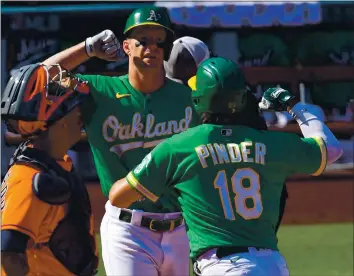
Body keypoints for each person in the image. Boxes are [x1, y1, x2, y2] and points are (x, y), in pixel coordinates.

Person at [108, 57, 343, 276]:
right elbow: (331, 151)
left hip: (222, 267)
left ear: (198, 99)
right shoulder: (270, 143)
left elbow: (118, 197)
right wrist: (295, 107)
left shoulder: (178, 146)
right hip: (272, 265)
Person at [43, 7, 200, 276]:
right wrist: (88, 48)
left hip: (180, 228)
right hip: (128, 230)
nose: (152, 47)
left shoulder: (187, 97)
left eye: (159, 40)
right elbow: (43, 75)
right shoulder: (100, 91)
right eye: (143, 40)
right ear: (126, 46)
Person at [0, 63, 99, 276]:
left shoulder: (54, 163)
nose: (80, 113)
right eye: (74, 106)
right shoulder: (30, 178)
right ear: (58, 120)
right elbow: (9, 254)